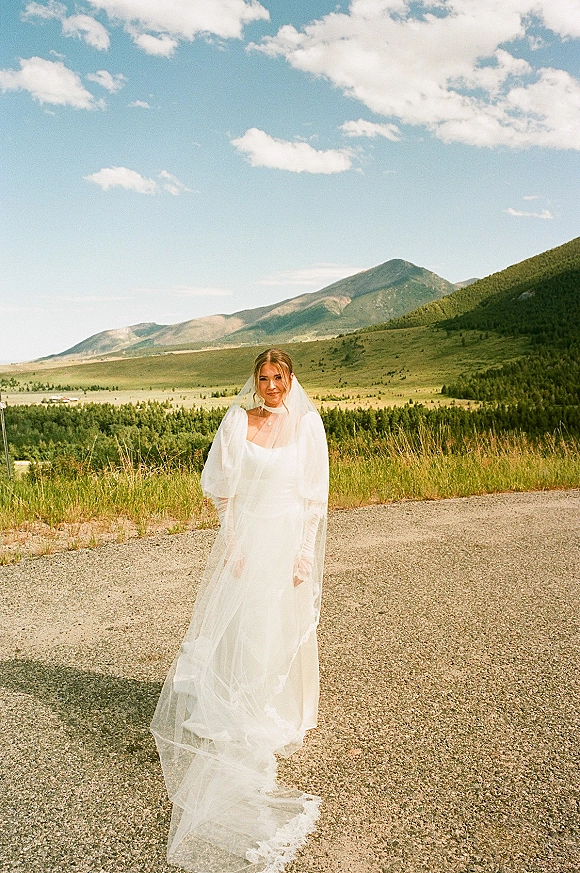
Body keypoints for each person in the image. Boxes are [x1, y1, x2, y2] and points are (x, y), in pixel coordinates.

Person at [151, 348, 329, 873]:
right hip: (249, 538)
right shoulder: (237, 420)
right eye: (263, 377)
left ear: (291, 379)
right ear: (253, 381)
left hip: (286, 537)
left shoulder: (309, 426)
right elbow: (221, 489)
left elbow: (314, 496)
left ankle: (278, 705)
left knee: (279, 625)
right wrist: (233, 542)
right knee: (244, 626)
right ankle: (238, 704)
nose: (271, 385)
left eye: (278, 377)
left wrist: (303, 550)